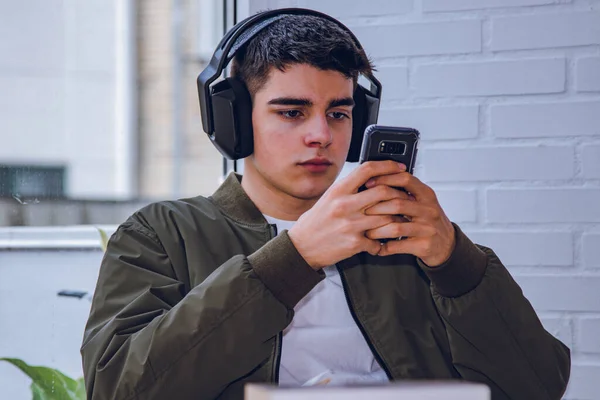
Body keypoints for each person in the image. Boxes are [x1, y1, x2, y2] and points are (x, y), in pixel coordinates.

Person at [80, 8, 570, 400]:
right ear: (234, 120)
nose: (321, 135)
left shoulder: (410, 237)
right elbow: (119, 389)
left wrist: (457, 263)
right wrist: (294, 257)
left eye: (339, 113)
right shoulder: (163, 233)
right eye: (292, 112)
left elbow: (538, 386)